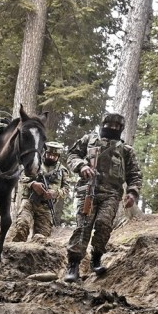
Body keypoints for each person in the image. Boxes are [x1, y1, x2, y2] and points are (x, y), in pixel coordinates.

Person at [63, 113, 142, 282]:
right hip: (87, 190)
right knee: (83, 226)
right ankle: (73, 265)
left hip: (112, 194)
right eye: (109, 124)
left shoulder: (126, 150)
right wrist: (82, 166)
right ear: (103, 124)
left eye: (116, 126)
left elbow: (134, 174)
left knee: (104, 224)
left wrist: (132, 193)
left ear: (121, 129)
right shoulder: (88, 140)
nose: (112, 128)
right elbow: (71, 155)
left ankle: (96, 257)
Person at [10, 141, 66, 242]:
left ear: (58, 156)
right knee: (21, 226)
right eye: (49, 154)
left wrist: (55, 193)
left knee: (42, 238)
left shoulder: (62, 170)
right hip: (29, 202)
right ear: (45, 152)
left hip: (46, 207)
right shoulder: (34, 163)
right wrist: (33, 184)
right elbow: (22, 176)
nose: (51, 157)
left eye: (54, 155)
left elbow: (66, 189)